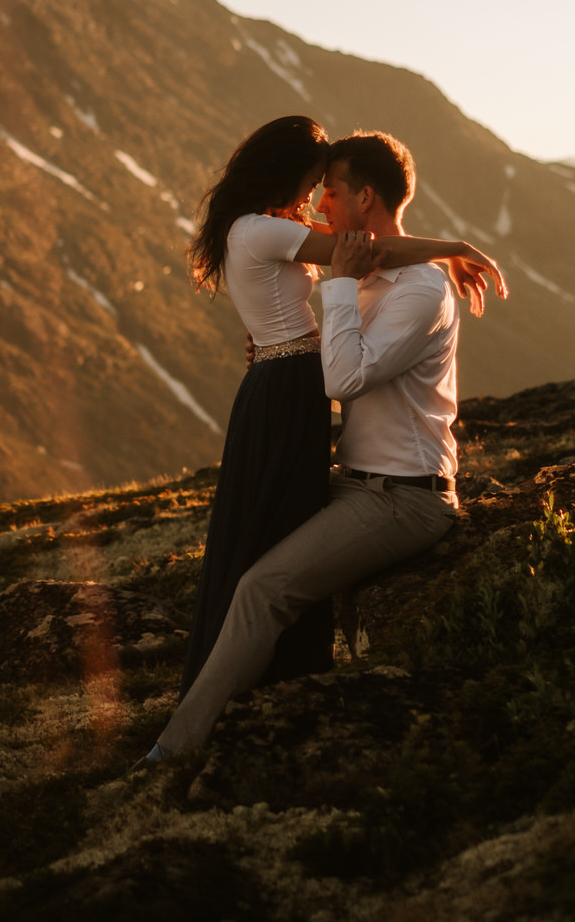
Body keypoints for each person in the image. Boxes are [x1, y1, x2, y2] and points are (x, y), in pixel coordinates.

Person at [149, 128, 506, 758]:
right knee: (250, 551)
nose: (318, 206)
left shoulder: (418, 291)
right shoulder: (369, 275)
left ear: (364, 199)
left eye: (331, 192)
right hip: (358, 482)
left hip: (403, 497)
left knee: (263, 588)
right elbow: (324, 329)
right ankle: (264, 701)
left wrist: (342, 289)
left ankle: (174, 751)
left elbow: (341, 376)